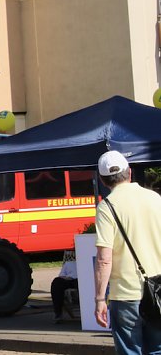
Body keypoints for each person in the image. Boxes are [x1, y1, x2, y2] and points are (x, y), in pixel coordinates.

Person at [94, 150, 161, 354]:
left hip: (125, 294)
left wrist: (99, 300)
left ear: (103, 180)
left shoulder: (107, 207)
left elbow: (104, 260)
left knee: (129, 350)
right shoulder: (155, 198)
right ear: (129, 172)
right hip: (158, 289)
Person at [51, 250, 78, 322]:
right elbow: (61, 276)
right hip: (70, 280)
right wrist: (66, 278)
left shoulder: (86, 260)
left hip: (81, 280)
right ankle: (58, 313)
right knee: (56, 282)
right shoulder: (69, 263)